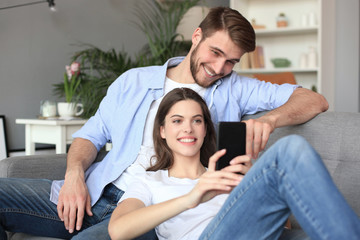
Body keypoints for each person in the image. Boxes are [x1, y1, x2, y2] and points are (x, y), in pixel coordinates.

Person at [0, 6, 328, 240]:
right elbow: (91, 135)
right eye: (214, 52)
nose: (219, 67)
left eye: (231, 61)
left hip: (154, 206)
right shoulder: (134, 81)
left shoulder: (237, 88)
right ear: (196, 36)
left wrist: (271, 119)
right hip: (97, 191)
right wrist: (74, 177)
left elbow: (315, 100)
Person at [108, 87, 359, 240]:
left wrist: (254, 185)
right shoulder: (149, 180)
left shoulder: (227, 174)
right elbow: (118, 230)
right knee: (289, 149)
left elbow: (278, 228)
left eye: (197, 120)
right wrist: (193, 197)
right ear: (162, 130)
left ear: (206, 129)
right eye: (177, 121)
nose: (188, 128)